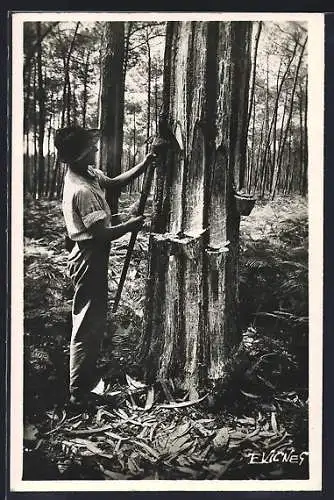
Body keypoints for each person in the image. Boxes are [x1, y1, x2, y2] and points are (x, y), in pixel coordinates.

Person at [54, 126, 156, 408]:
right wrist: (130, 225)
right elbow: (101, 234)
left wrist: (144, 165)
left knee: (93, 321)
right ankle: (77, 393)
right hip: (88, 257)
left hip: (94, 255)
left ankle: (87, 380)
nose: (96, 150)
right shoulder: (81, 190)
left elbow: (113, 183)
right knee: (86, 325)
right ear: (81, 154)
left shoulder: (89, 174)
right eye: (91, 147)